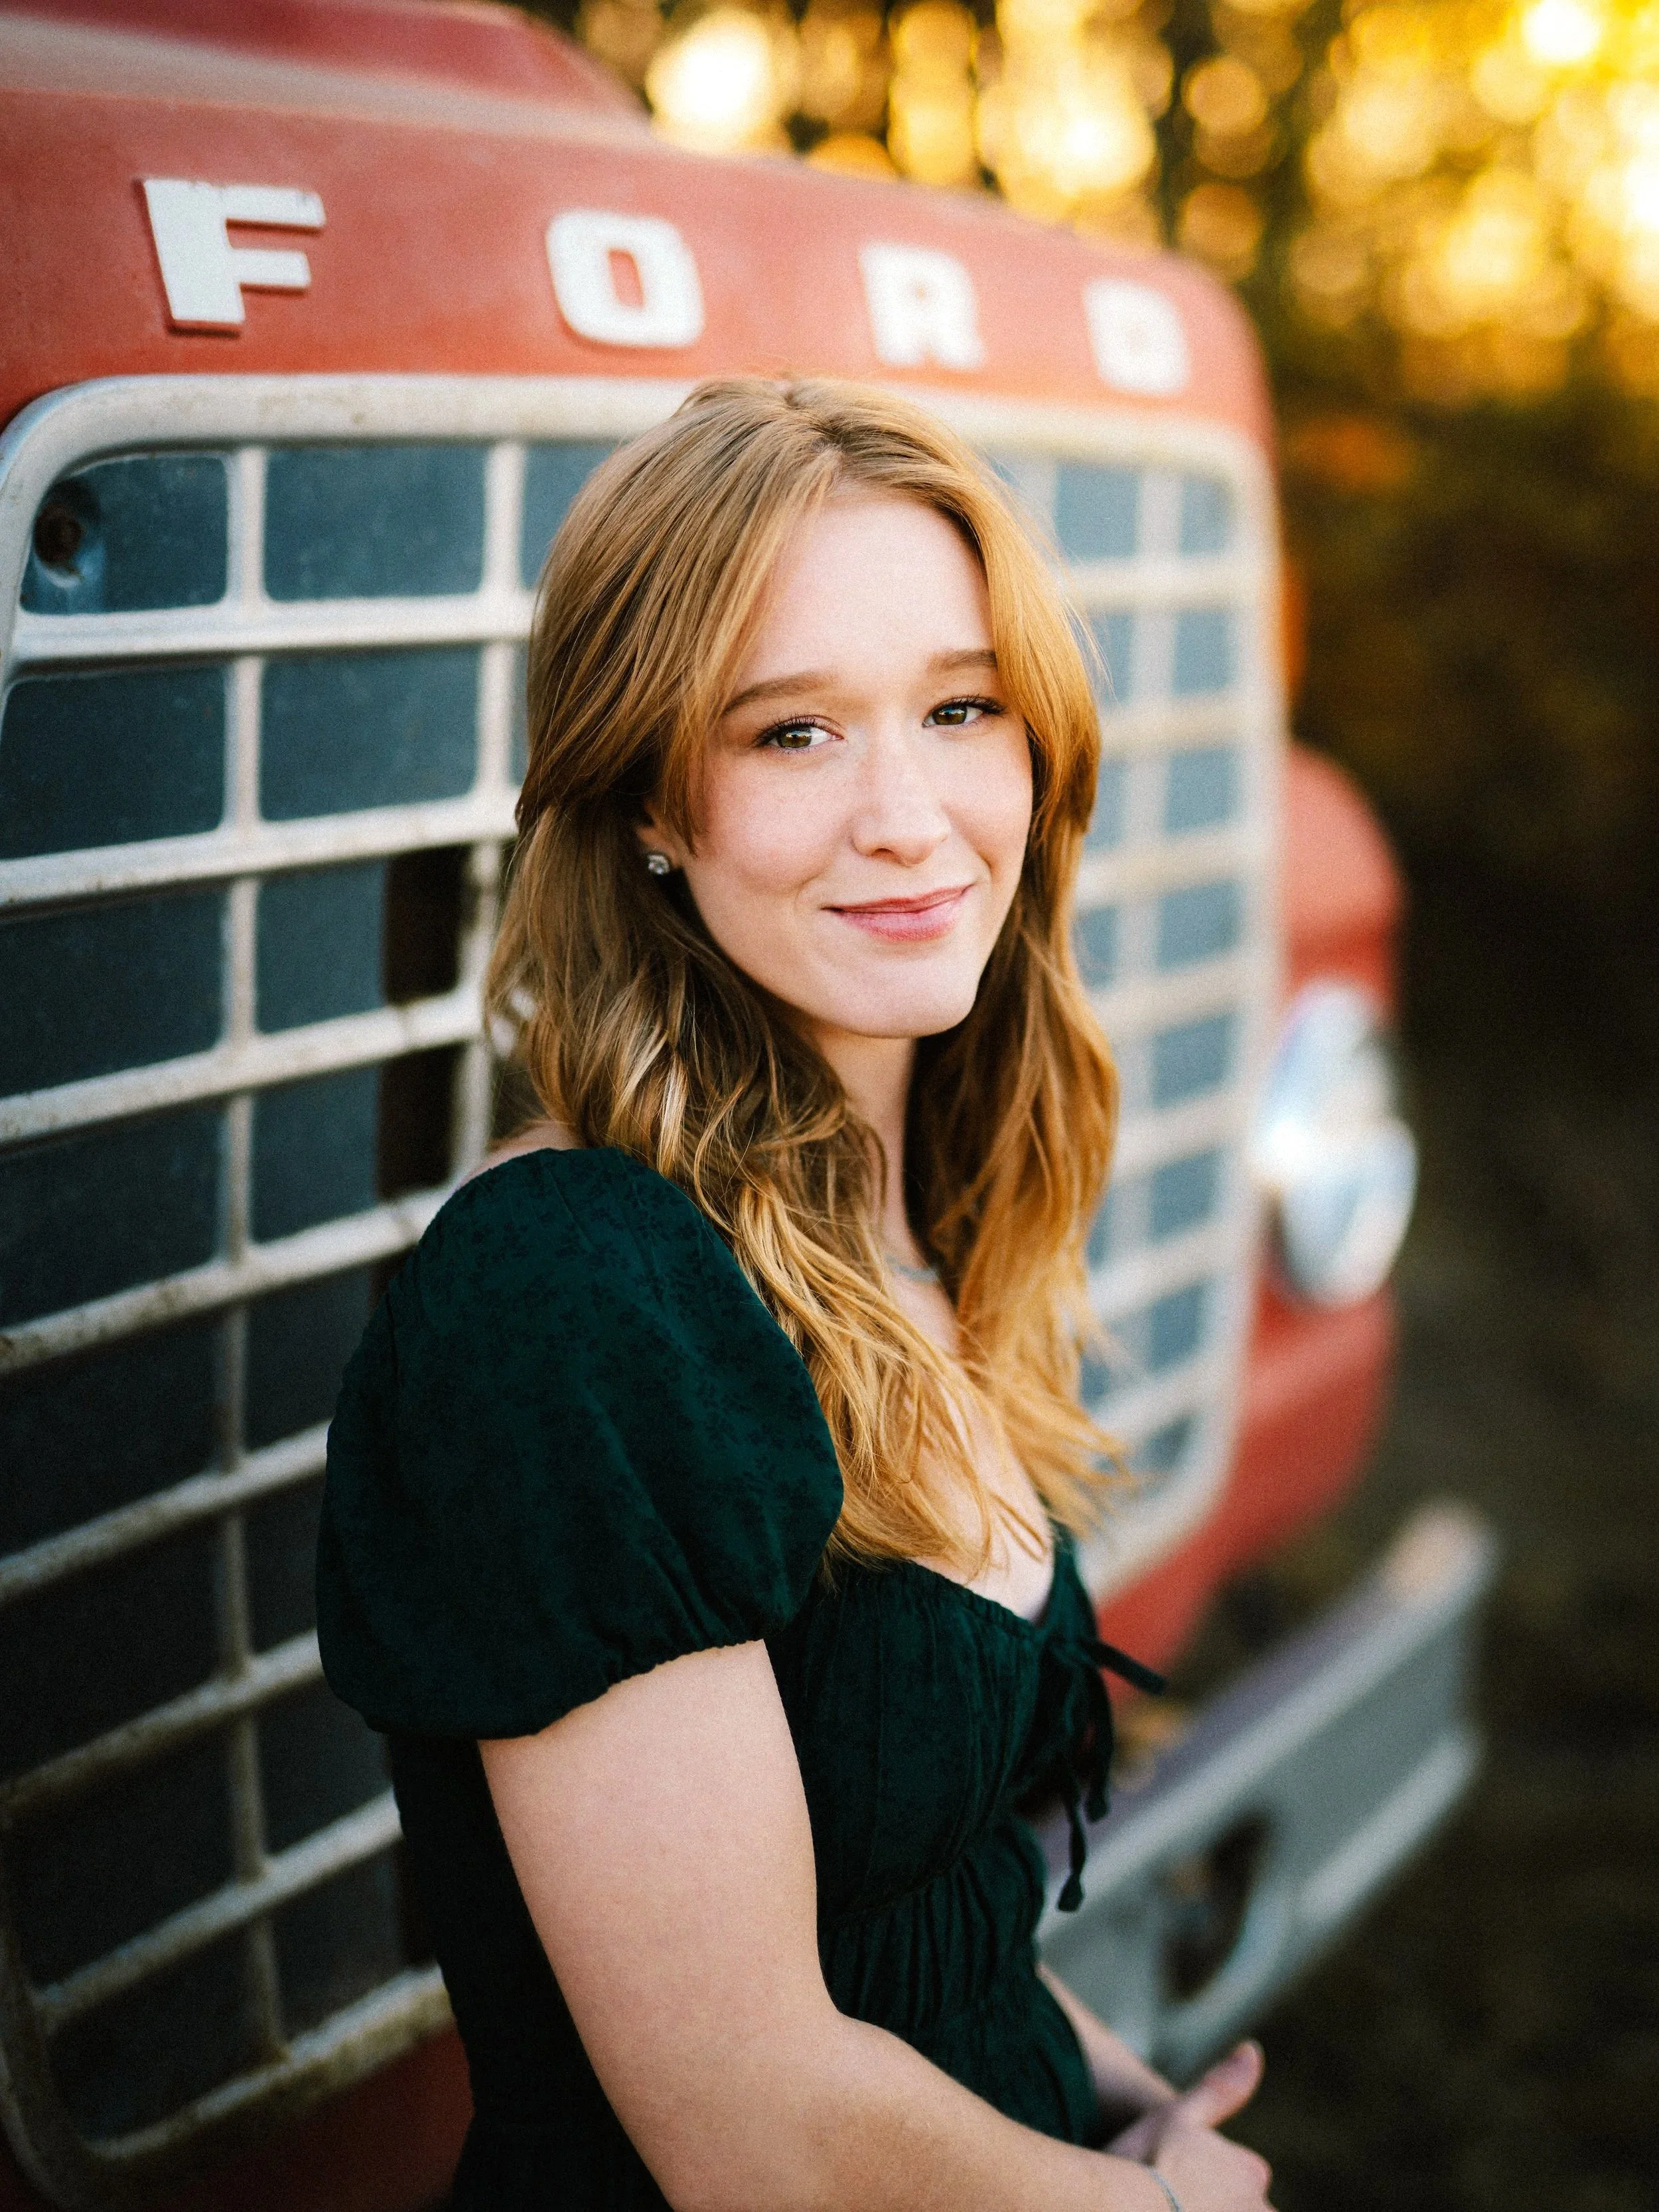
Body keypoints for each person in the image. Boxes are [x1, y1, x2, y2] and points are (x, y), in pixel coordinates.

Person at [318, 378, 1275, 2212]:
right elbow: (747, 2122)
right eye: (791, 734)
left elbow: (907, 1922)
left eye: (958, 706)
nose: (909, 815)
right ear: (647, 808)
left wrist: (1115, 2097)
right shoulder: (575, 1299)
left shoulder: (905, 1222)